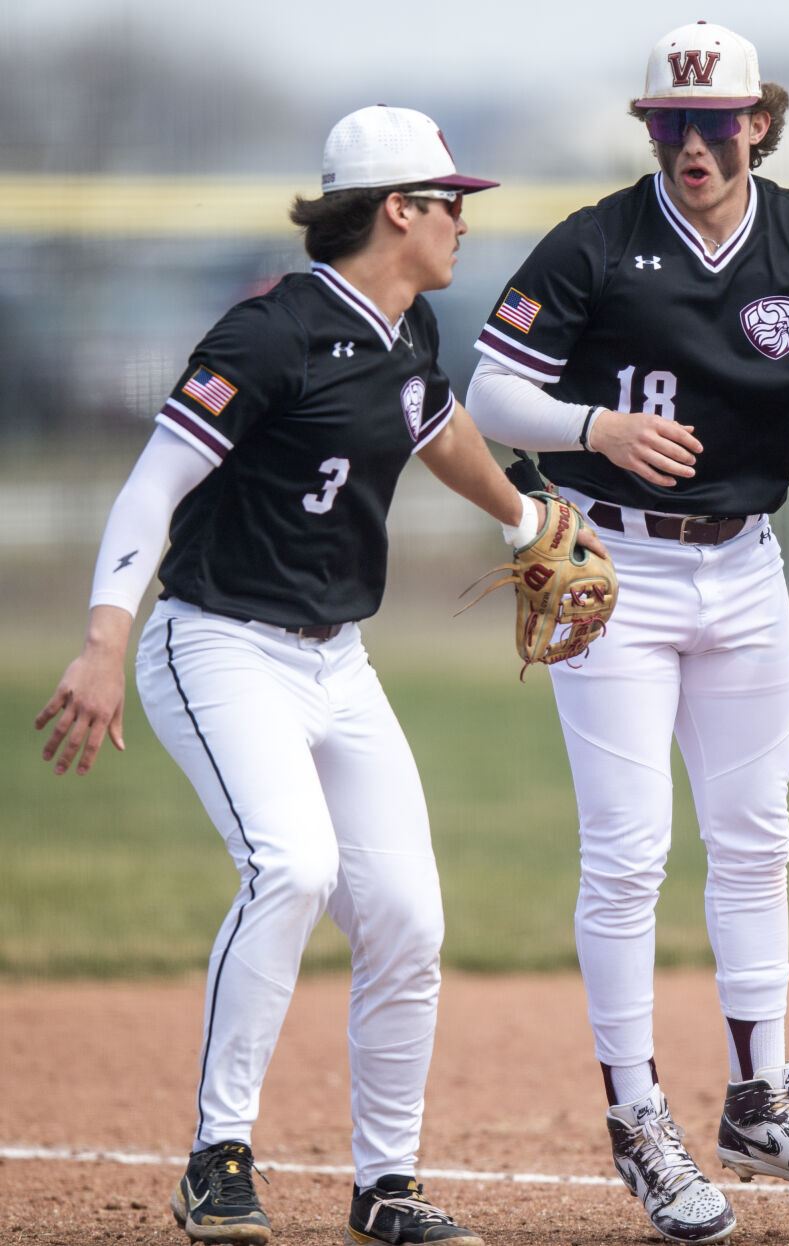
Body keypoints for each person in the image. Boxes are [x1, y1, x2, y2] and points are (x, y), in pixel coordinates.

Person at [34, 105, 600, 1246]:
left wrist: (524, 515)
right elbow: (151, 488)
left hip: (337, 660)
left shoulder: (409, 323)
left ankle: (386, 1187)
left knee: (406, 918)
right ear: (399, 209)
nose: (462, 223)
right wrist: (102, 637)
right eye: (451, 203)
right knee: (290, 866)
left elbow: (432, 424)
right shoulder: (268, 334)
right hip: (216, 643)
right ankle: (217, 1158)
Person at [465, 20, 789, 1245]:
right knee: (628, 855)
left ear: (757, 125)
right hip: (614, 569)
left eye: (714, 122)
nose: (691, 143)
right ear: (650, 129)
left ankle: (760, 1098)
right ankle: (635, 1117)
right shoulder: (595, 243)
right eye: (670, 123)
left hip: (745, 566)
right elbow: (491, 395)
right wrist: (593, 429)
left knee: (756, 836)